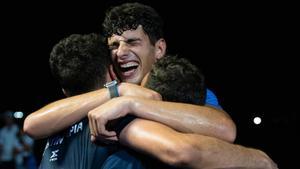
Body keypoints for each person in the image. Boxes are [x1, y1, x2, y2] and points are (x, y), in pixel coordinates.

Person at [24, 2, 276, 168]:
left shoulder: (179, 89)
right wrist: (117, 92)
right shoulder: (102, 94)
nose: (120, 52)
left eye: (132, 42)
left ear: (159, 49)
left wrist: (131, 103)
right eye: (114, 45)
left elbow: (223, 129)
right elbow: (32, 124)